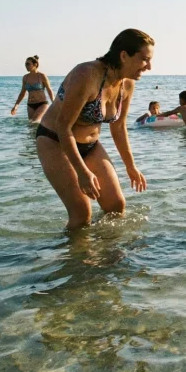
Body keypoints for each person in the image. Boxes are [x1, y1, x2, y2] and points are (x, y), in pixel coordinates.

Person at [35, 29, 151, 230]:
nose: (149, 66)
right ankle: (75, 259)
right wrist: (82, 171)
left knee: (116, 205)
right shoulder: (87, 74)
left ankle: (107, 254)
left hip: (90, 145)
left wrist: (130, 166)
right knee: (81, 213)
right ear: (124, 55)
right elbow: (63, 126)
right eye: (144, 60)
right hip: (55, 141)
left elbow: (119, 126)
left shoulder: (127, 84)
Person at [10, 55, 55, 122]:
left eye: (28, 64)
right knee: (31, 125)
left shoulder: (42, 76)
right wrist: (16, 105)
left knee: (34, 121)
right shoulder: (25, 77)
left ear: (35, 64)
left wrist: (54, 103)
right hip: (30, 105)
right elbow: (22, 92)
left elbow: (49, 90)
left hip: (42, 104)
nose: (26, 66)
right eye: (25, 64)